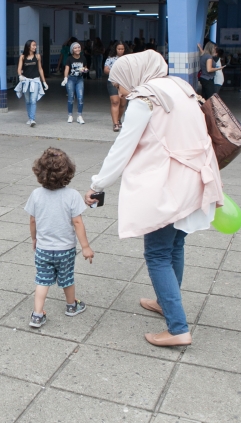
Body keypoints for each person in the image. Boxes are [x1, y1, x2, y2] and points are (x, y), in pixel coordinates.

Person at [84, 50, 222, 347]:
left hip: (168, 183)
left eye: (119, 83)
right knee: (175, 244)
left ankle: (177, 328)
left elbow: (122, 148)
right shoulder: (180, 87)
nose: (120, 91)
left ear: (132, 76)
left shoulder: (144, 99)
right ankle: (165, 302)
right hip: (195, 177)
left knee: (157, 253)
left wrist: (98, 184)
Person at [25, 148, 94, 328]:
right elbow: (77, 223)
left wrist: (34, 238)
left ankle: (37, 314)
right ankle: (71, 306)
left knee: (42, 280)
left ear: (39, 171)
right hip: (65, 249)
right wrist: (85, 247)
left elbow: (33, 220)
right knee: (67, 278)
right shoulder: (72, 195)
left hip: (43, 249)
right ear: (68, 171)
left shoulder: (36, 195)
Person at [16, 40, 48, 127]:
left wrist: (44, 82)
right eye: (33, 45)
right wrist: (20, 76)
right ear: (28, 46)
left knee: (33, 100)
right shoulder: (22, 57)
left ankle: (32, 119)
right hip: (26, 81)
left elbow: (40, 69)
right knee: (28, 101)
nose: (35, 47)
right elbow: (19, 69)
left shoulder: (37, 56)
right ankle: (30, 118)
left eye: (35, 45)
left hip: (35, 81)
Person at [104, 41, 128, 132]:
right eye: (119, 49)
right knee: (115, 102)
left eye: (122, 49)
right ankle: (115, 124)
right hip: (113, 82)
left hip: (124, 83)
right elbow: (106, 69)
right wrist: (114, 72)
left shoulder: (128, 58)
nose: (120, 51)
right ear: (115, 49)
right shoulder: (111, 58)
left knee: (122, 103)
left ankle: (118, 119)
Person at [63, 42, 88, 124]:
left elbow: (85, 67)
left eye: (79, 47)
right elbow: (67, 69)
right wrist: (65, 78)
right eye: (75, 48)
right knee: (71, 98)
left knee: (80, 97)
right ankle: (70, 115)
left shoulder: (83, 58)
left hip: (80, 79)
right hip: (71, 79)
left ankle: (79, 116)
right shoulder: (69, 59)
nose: (77, 49)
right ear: (72, 50)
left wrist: (85, 70)